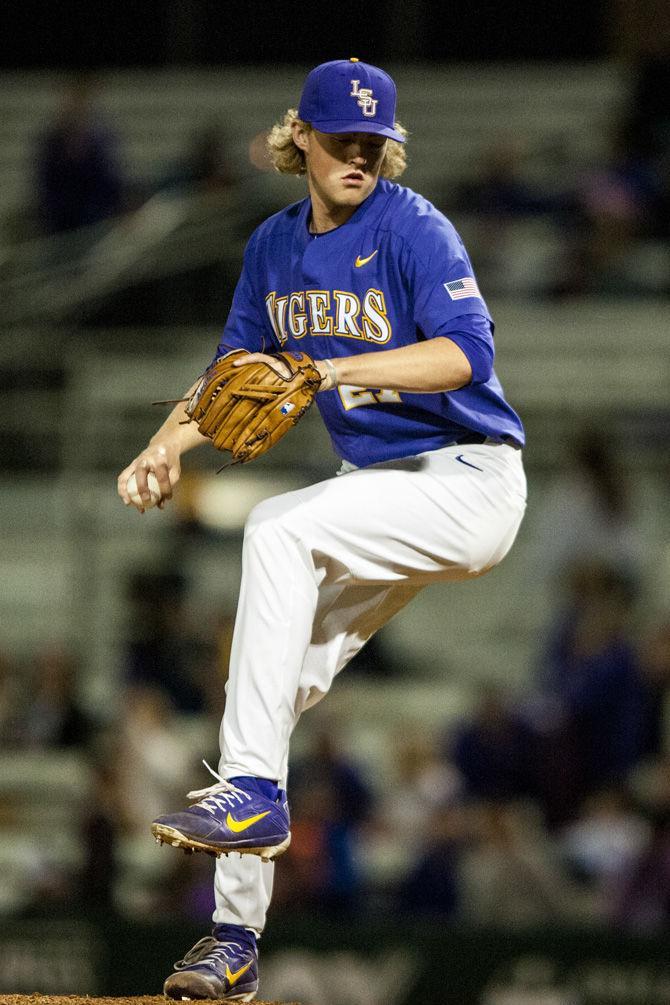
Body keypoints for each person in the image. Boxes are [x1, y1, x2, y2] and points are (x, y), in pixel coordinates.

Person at [117, 58, 527, 1002]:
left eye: (372, 140)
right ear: (298, 135)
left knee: (272, 525)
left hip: (466, 480)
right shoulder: (272, 246)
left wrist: (331, 373)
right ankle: (230, 939)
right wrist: (166, 444)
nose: (358, 152)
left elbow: (465, 355)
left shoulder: (414, 225)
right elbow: (233, 374)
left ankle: (254, 796)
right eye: (340, 136)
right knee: (270, 690)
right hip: (373, 495)